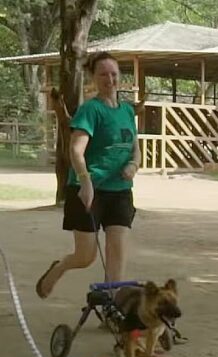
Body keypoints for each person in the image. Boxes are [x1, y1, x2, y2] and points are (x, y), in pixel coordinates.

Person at [36, 51, 141, 299]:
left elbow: (135, 149)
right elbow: (75, 149)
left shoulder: (127, 111)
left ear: (120, 77)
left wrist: (133, 166)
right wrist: (85, 182)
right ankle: (59, 267)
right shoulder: (90, 110)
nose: (110, 79)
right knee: (86, 257)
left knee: (117, 250)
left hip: (120, 191)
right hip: (87, 190)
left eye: (114, 74)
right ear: (94, 77)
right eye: (103, 74)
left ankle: (112, 305)